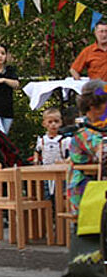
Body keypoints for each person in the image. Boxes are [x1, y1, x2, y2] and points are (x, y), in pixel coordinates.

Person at [67, 80, 107, 216]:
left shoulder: (100, 127)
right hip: (87, 194)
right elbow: (102, 152)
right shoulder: (84, 132)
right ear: (92, 106)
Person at [34, 107, 70, 201]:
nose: (53, 124)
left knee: (60, 192)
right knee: (47, 192)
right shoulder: (42, 139)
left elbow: (71, 154)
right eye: (50, 122)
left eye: (56, 121)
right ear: (44, 124)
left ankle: (59, 207)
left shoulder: (65, 139)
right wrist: (36, 160)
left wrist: (66, 162)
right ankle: (49, 208)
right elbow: (37, 151)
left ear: (60, 122)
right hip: (46, 170)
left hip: (60, 170)